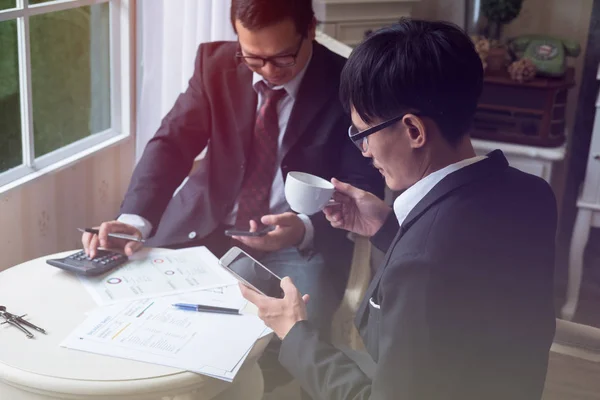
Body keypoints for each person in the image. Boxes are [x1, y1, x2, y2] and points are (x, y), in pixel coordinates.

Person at [240, 19, 557, 400]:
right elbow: (464, 290)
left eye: (363, 133)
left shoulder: (422, 263)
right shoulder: (533, 195)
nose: (365, 151)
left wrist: (294, 333)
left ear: (414, 131)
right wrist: (389, 228)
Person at [81, 0, 384, 391]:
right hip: (206, 226)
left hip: (299, 243)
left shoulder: (346, 82)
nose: (270, 73)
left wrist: (304, 227)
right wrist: (135, 220)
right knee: (142, 315)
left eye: (282, 59)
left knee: (292, 337)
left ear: (309, 28)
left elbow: (364, 179)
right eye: (254, 59)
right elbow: (172, 143)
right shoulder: (217, 65)